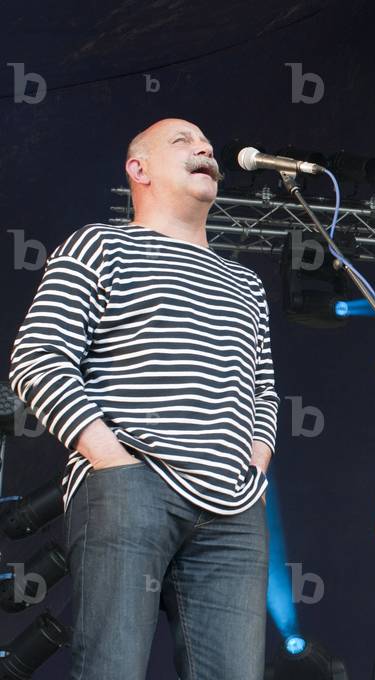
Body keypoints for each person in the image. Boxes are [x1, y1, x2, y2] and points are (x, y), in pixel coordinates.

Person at [8, 119, 278, 680]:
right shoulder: (99, 244)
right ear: (139, 169)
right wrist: (110, 458)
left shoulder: (246, 283)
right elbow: (37, 356)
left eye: (207, 145)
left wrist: (254, 467)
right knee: (112, 668)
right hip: (131, 483)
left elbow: (263, 390)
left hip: (234, 506)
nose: (205, 148)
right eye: (182, 142)